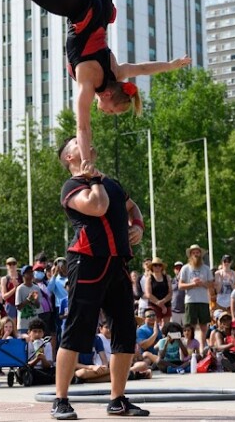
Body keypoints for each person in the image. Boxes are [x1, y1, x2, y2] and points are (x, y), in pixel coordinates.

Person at [0, 0, 190, 176]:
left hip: (101, 10)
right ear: (108, 94)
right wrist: (87, 159)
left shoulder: (117, 73)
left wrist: (170, 65)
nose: (107, 113)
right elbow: (83, 129)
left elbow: (142, 69)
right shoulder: (88, 85)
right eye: (111, 110)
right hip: (83, 10)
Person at [51, 136, 149, 419]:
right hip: (87, 261)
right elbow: (97, 207)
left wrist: (139, 226)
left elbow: (132, 207)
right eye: (80, 145)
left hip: (117, 262)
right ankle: (61, 400)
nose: (90, 145)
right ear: (71, 157)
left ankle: (117, 399)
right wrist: (93, 179)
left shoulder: (112, 182)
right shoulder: (72, 186)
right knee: (77, 328)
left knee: (125, 330)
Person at [179, 244, 214, 346]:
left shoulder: (206, 269)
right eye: (193, 253)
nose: (196, 254)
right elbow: (180, 285)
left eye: (197, 252)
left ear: (200, 254)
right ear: (190, 255)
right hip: (190, 300)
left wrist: (202, 283)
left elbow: (211, 284)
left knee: (204, 327)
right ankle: (191, 349)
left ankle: (202, 349)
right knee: (190, 327)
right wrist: (193, 284)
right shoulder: (185, 268)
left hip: (203, 300)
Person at [144, 257, 172, 324]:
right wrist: (161, 305)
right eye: (155, 265)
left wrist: (163, 302)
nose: (157, 267)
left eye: (159, 265)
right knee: (155, 326)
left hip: (167, 304)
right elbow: (148, 294)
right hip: (154, 306)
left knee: (166, 327)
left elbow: (170, 292)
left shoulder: (167, 277)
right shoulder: (149, 278)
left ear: (162, 267)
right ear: (152, 267)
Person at [1, 257, 22, 322]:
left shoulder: (22, 277)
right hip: (10, 305)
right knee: (12, 325)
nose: (12, 266)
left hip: (21, 304)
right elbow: (4, 296)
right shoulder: (4, 279)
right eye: (9, 264)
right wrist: (15, 288)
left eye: (14, 263)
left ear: (16, 265)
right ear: (6, 266)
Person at [170, 261, 186, 326]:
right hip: (174, 310)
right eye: (177, 268)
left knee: (187, 329)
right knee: (175, 329)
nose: (179, 270)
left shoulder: (187, 281)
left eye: (180, 268)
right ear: (174, 270)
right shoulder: (171, 281)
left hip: (185, 309)